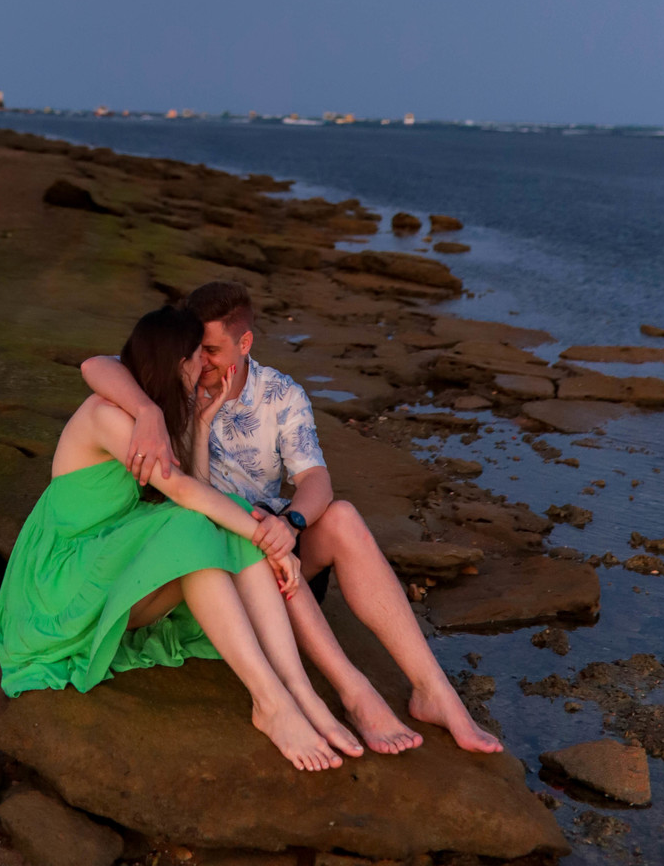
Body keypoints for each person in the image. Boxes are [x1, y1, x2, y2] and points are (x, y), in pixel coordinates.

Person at [81, 280, 502, 756]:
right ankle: (353, 694)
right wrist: (148, 413)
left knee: (340, 516)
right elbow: (96, 365)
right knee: (243, 539)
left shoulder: (280, 395)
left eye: (212, 350)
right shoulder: (171, 377)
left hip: (270, 540)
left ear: (244, 343)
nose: (201, 362)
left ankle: (435, 691)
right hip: (208, 557)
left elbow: (316, 480)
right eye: (195, 350)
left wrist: (293, 524)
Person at [0, 304, 366, 772]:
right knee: (203, 523)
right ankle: (270, 702)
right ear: (177, 363)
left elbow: (199, 491)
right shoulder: (108, 416)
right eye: (197, 357)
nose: (204, 367)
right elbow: (185, 492)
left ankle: (300, 694)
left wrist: (203, 426)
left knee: (219, 525)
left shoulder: (156, 414)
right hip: (62, 579)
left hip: (107, 560)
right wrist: (273, 540)